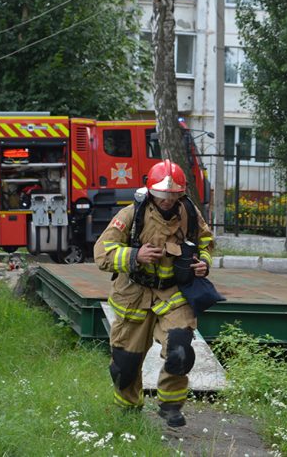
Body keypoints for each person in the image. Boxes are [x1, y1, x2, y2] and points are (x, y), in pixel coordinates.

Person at [94, 159, 214, 427]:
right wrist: (136, 255)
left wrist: (203, 263)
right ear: (151, 192)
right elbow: (101, 253)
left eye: (173, 196)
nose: (168, 201)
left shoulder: (190, 213)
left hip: (173, 295)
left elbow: (206, 241)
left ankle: (170, 405)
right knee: (124, 365)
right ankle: (128, 411)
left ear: (180, 194)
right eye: (162, 196)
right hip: (133, 295)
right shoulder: (130, 215)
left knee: (180, 350)